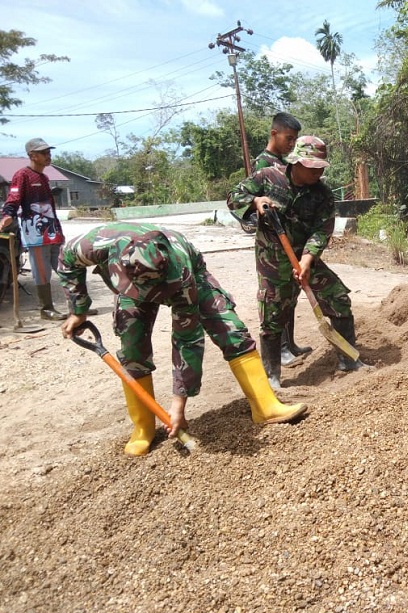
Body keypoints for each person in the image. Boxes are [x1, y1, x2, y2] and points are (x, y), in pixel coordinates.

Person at [57, 222, 308, 457]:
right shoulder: (96, 244)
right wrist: (78, 310)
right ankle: (143, 426)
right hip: (130, 282)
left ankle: (265, 405)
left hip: (189, 276)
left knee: (230, 328)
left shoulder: (182, 275)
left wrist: (179, 405)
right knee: (132, 345)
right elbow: (66, 260)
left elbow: (187, 340)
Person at [227, 135, 369, 386]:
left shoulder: (322, 194)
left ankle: (349, 360)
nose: (317, 172)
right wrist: (255, 201)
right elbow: (233, 197)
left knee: (338, 298)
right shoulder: (268, 177)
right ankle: (272, 377)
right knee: (272, 315)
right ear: (297, 163)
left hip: (305, 258)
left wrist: (306, 260)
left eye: (320, 167)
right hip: (272, 259)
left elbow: (321, 230)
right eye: (312, 166)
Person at [250, 112, 312, 368]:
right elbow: (257, 203)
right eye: (288, 138)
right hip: (273, 248)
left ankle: (291, 344)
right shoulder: (263, 164)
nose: (291, 143)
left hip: (292, 244)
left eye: (295, 139)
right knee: (275, 300)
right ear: (274, 133)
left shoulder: (286, 161)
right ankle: (281, 350)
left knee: (291, 296)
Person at [0, 137, 67, 320]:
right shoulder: (22, 175)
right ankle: (46, 309)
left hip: (53, 231)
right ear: (32, 155)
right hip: (35, 233)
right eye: (44, 153)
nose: (48, 155)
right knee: (42, 271)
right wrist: (7, 216)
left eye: (49, 152)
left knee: (66, 266)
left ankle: (78, 306)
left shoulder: (44, 177)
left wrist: (58, 230)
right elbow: (13, 199)